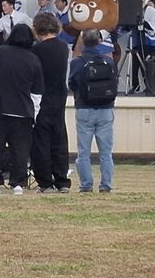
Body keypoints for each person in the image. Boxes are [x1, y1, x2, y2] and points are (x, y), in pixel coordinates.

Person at [0, 23, 44, 195]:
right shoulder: (33, 59)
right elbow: (37, 93)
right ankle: (18, 183)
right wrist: (33, 115)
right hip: (23, 112)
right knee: (20, 150)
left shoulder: (1, 53)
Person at [69, 28, 118, 193]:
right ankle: (106, 185)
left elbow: (71, 83)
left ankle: (86, 184)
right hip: (105, 109)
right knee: (106, 152)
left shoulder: (77, 62)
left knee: (83, 152)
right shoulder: (109, 61)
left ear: (83, 41)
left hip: (84, 108)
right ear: (99, 41)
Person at [30, 12, 71, 193]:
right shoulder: (63, 47)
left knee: (41, 142)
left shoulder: (37, 50)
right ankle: (62, 180)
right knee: (59, 140)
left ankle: (45, 182)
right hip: (59, 97)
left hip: (41, 97)